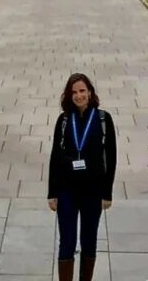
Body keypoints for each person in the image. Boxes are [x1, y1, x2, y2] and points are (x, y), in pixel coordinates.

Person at [48, 73, 116, 281]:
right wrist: (52, 193)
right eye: (74, 92)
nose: (79, 96)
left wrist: (107, 194)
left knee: (89, 240)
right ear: (68, 95)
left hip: (93, 192)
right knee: (67, 241)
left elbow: (111, 158)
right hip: (67, 190)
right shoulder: (64, 120)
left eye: (82, 91)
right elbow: (55, 157)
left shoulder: (103, 119)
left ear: (90, 92)